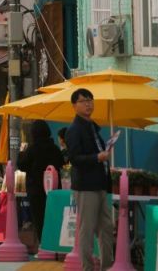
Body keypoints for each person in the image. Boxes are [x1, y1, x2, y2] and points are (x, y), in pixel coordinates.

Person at [66, 88, 114, 271]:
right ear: (74, 106)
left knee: (106, 228)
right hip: (86, 186)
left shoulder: (93, 127)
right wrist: (97, 158)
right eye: (83, 100)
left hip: (101, 184)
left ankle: (107, 266)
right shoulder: (74, 130)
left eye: (90, 100)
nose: (88, 104)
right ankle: (87, 267)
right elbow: (74, 159)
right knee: (87, 229)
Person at [17, 120, 65, 241]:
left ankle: (42, 244)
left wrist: (21, 152)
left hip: (36, 190)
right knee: (53, 218)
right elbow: (62, 163)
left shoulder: (32, 149)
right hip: (54, 189)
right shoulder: (55, 149)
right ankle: (53, 243)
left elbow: (22, 165)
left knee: (39, 219)